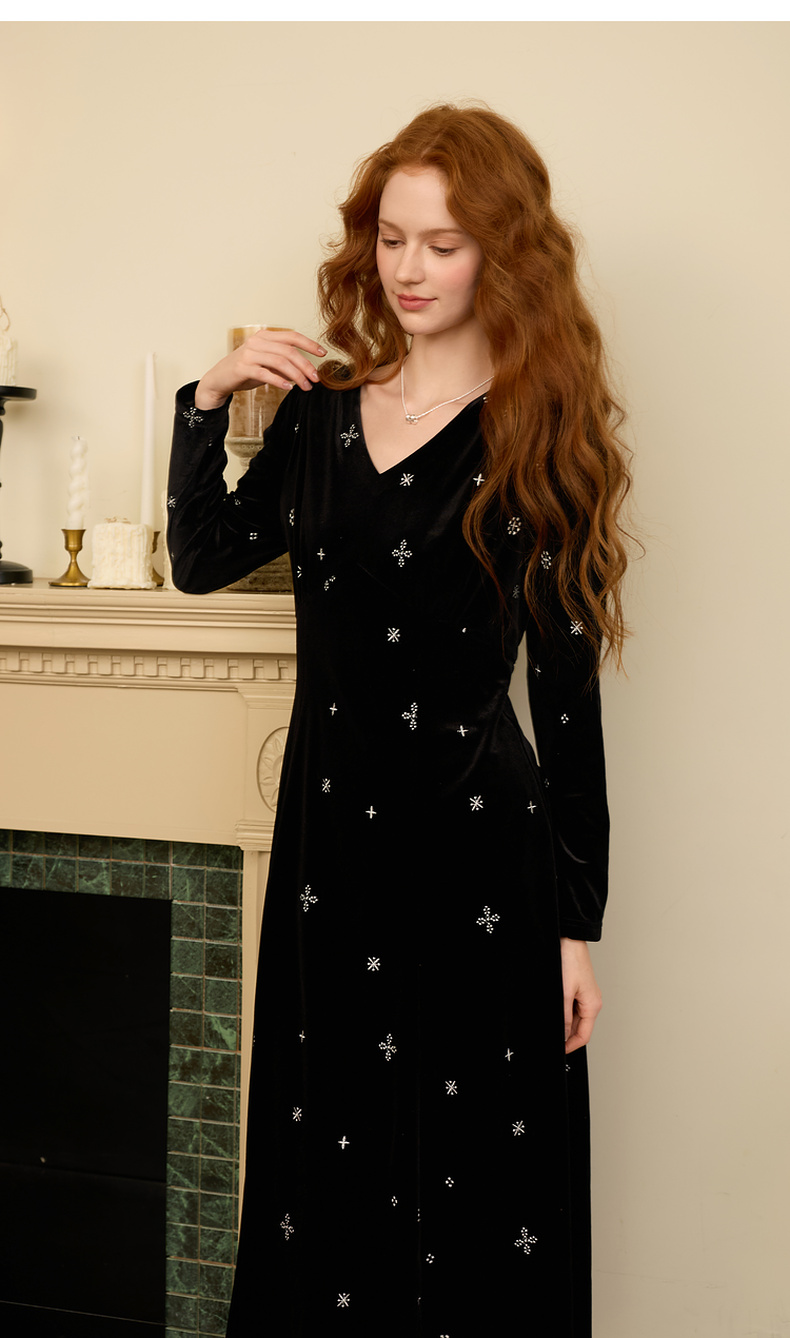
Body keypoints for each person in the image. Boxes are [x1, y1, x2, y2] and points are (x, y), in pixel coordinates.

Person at [167, 103, 631, 1338]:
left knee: (477, 1181)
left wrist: (574, 927)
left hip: (482, 860)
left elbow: (568, 704)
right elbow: (202, 561)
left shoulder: (537, 435)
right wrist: (206, 398)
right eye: (390, 239)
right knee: (328, 1166)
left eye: (443, 243)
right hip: (329, 856)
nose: (409, 269)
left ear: (502, 255)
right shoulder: (322, 417)